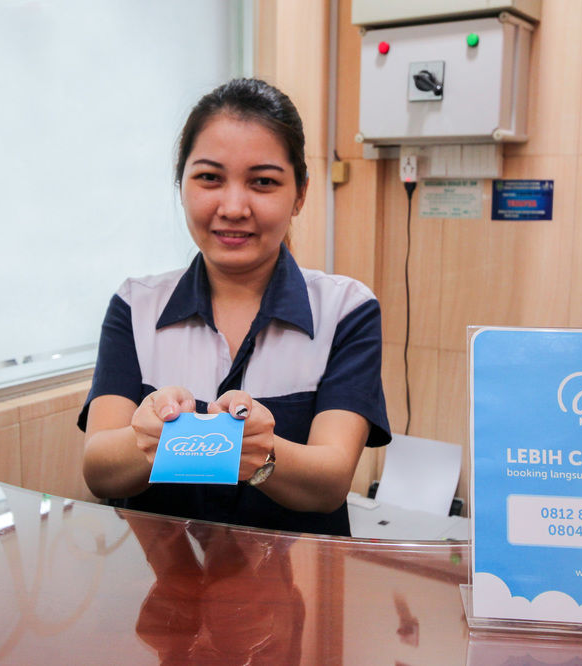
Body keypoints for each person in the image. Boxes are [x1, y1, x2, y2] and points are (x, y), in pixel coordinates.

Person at [78, 78, 390, 536]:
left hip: (300, 577)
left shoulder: (346, 309)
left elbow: (330, 482)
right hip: (161, 576)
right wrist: (146, 438)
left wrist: (263, 452)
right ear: (181, 184)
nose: (233, 207)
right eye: (210, 178)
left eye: (263, 182)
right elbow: (99, 471)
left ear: (300, 194)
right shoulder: (136, 304)